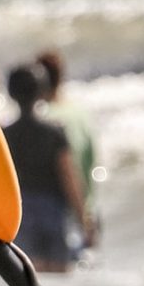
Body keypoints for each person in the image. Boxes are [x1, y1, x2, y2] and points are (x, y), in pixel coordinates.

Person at [3, 60, 90, 271]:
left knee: (32, 278)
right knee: (60, 276)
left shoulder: (4, 134)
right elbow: (69, 178)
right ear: (42, 91)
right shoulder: (54, 132)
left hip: (21, 213)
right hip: (53, 211)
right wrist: (84, 221)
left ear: (12, 93)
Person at [36, 48, 100, 245]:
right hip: (86, 210)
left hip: (57, 215)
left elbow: (65, 170)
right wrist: (86, 216)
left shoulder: (42, 118)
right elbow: (90, 163)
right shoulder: (81, 115)